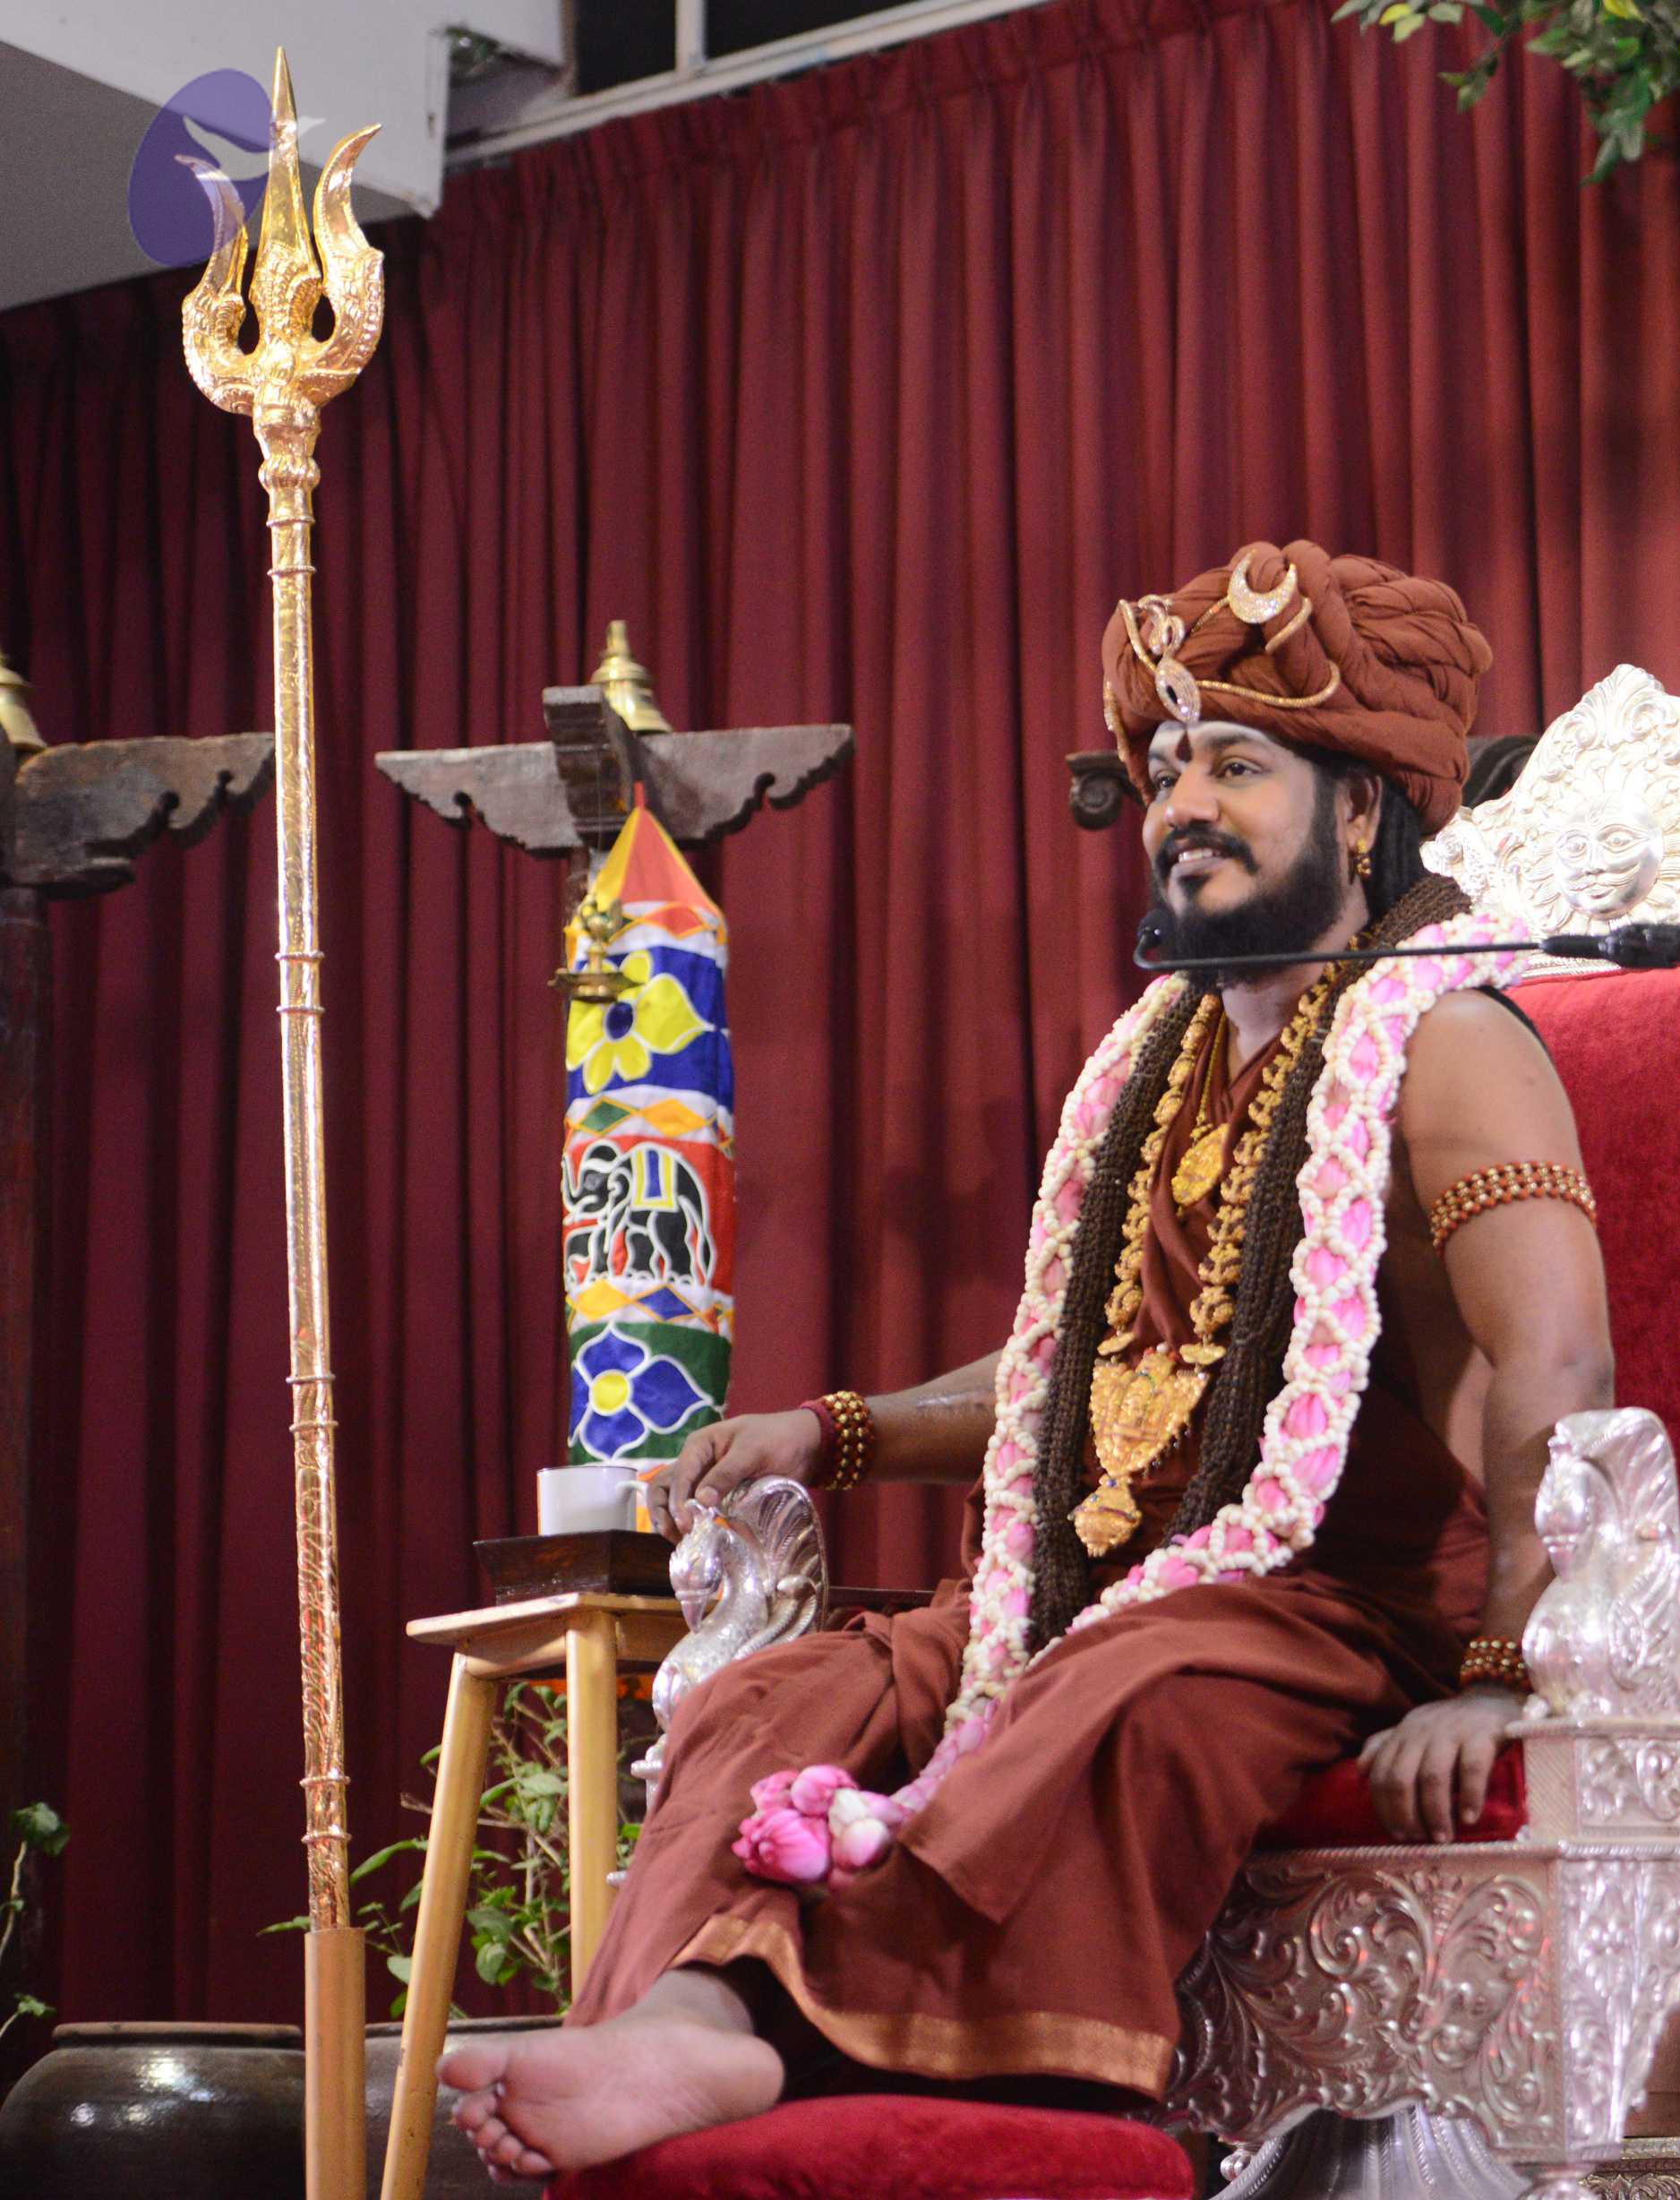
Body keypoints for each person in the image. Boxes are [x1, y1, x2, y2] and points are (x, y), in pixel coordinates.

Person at [441, 540, 1616, 2181]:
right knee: (798, 1687)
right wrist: (832, 1431)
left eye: (1236, 767)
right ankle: (684, 2023)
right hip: (1103, 1591)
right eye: (1166, 769)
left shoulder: (1452, 1036)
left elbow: (1555, 1356)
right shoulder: (1161, 1062)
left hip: (1342, 1613)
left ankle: (785, 2048)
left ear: (1361, 812)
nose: (1182, 805)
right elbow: (1086, 1376)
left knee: (1131, 1693)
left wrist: (1502, 1675)